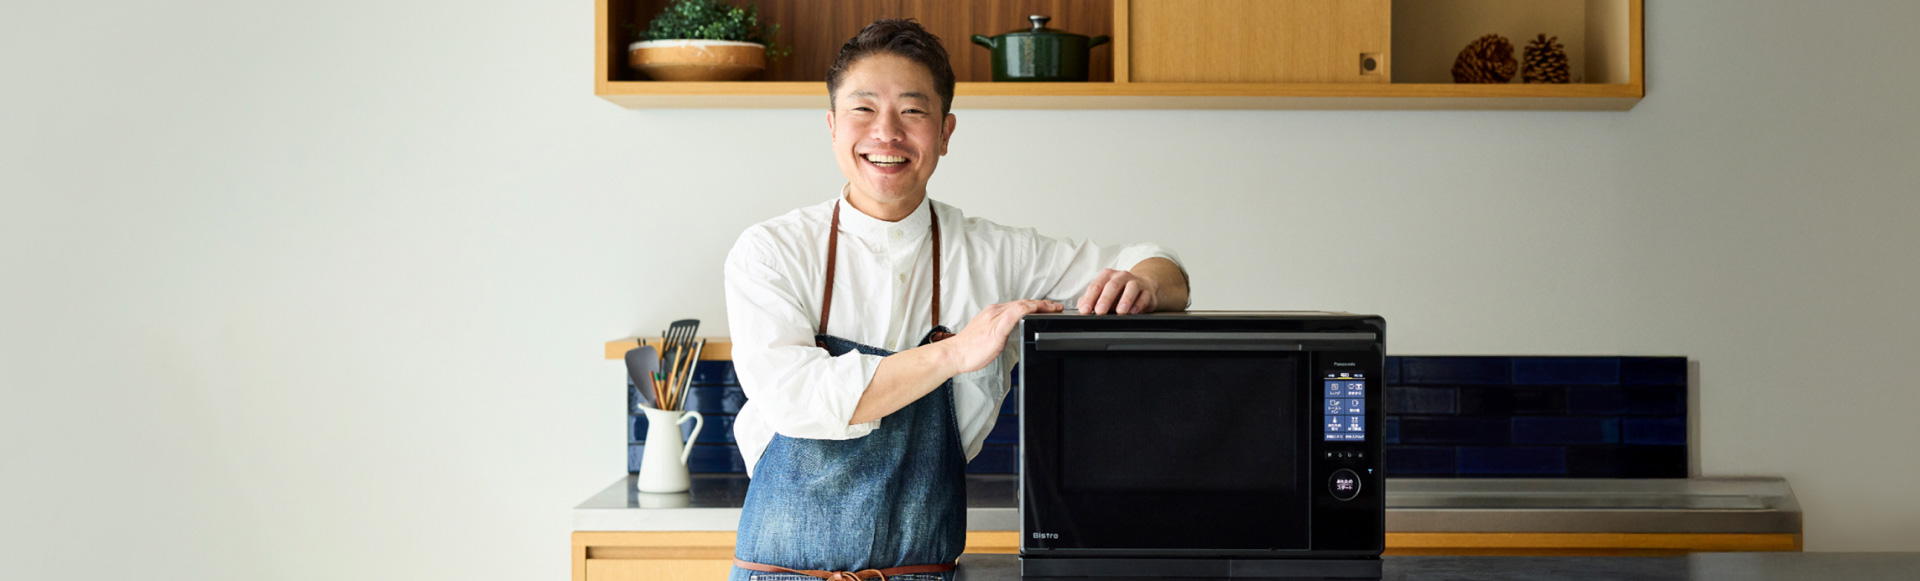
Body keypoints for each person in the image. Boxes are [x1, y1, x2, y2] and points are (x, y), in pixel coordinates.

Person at [721, 18, 1190, 581]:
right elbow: (796, 399)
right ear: (832, 127)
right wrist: (953, 353)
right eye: (863, 110)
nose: (886, 133)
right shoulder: (771, 251)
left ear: (944, 132)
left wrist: (1144, 284)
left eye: (913, 112)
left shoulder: (999, 256)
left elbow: (1159, 264)